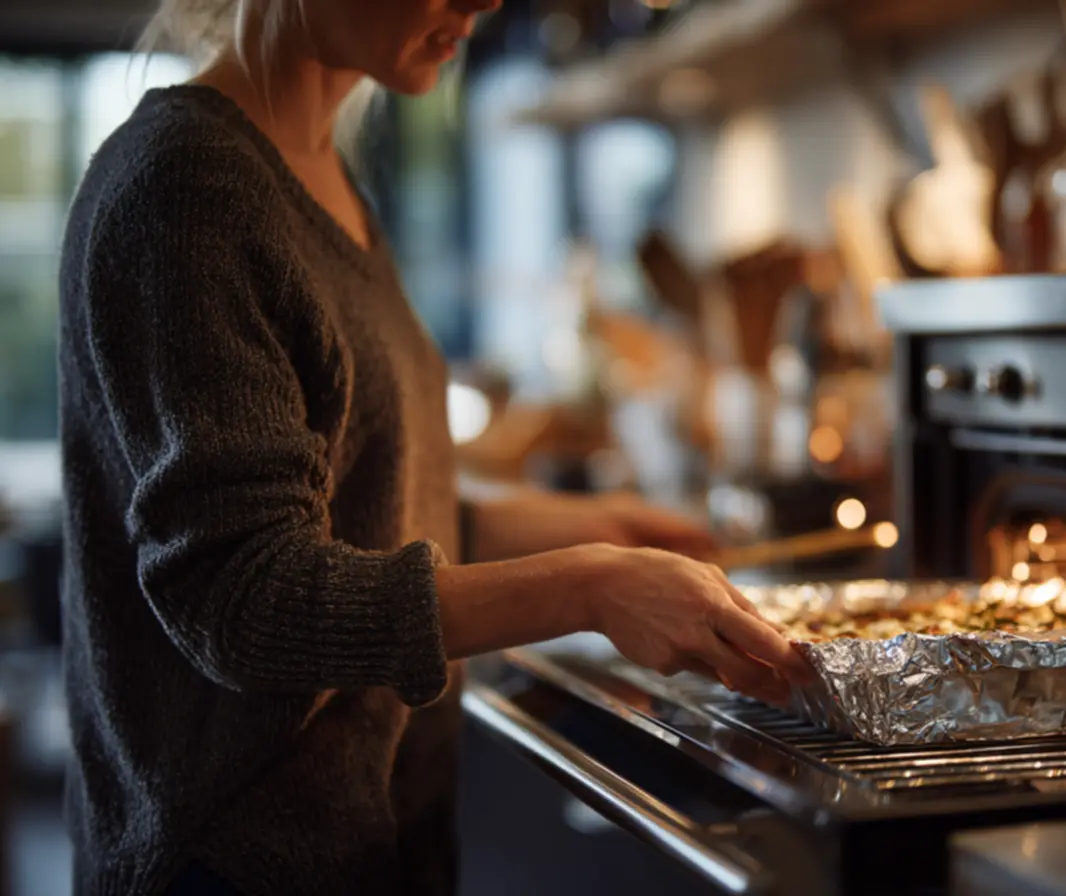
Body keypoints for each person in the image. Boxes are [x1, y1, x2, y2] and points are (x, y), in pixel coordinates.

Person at [57, 1, 812, 893]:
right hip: (236, 865)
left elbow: (361, 510)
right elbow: (246, 598)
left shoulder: (315, 174)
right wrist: (592, 584)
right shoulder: (184, 189)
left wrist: (597, 527)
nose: (485, 1)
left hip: (365, 840)